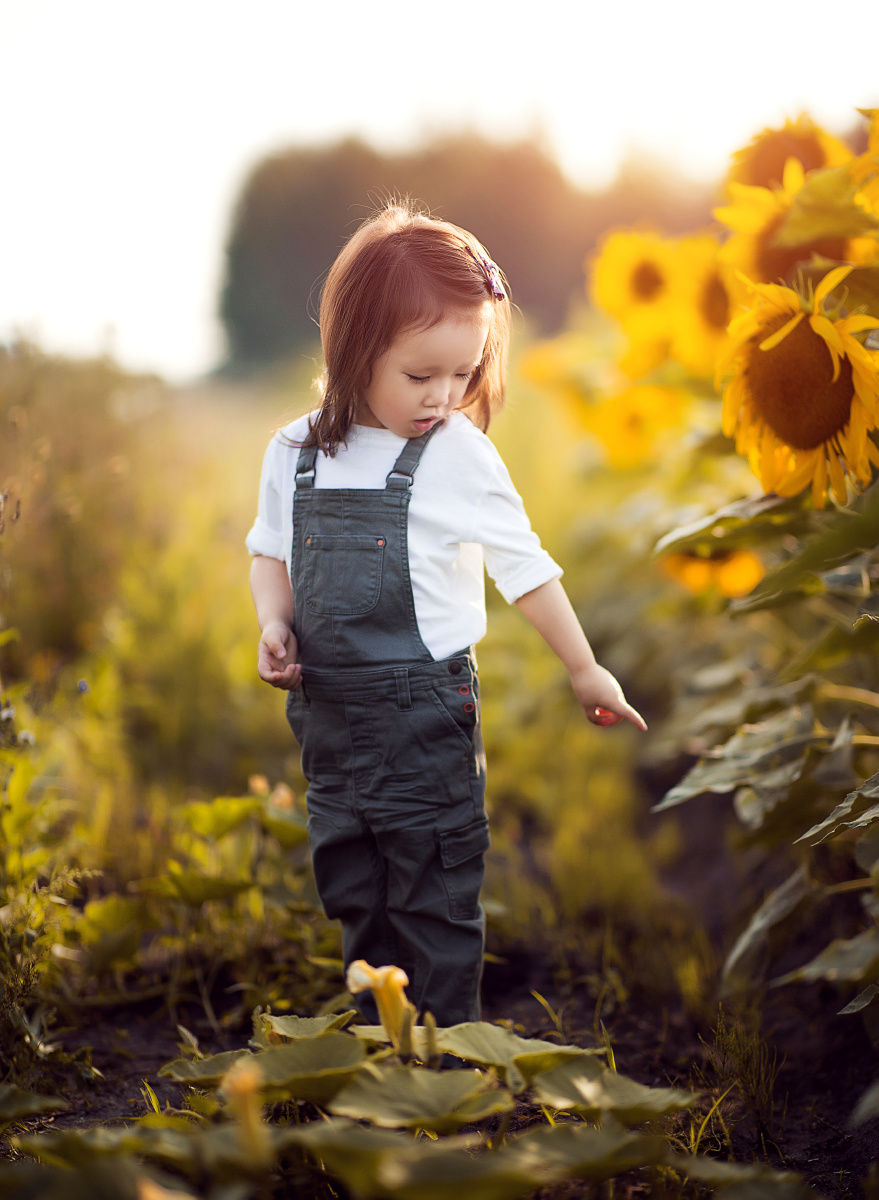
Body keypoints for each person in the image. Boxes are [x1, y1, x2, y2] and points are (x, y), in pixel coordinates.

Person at [246, 202, 646, 1028]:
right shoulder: (294, 452)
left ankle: (448, 1058)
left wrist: (583, 666)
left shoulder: (458, 454)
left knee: (433, 888)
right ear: (353, 349)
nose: (443, 396)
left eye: (462, 375)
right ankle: (380, 1041)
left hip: (423, 717)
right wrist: (273, 620)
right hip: (328, 717)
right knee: (354, 885)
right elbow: (269, 549)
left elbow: (523, 567)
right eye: (419, 375)